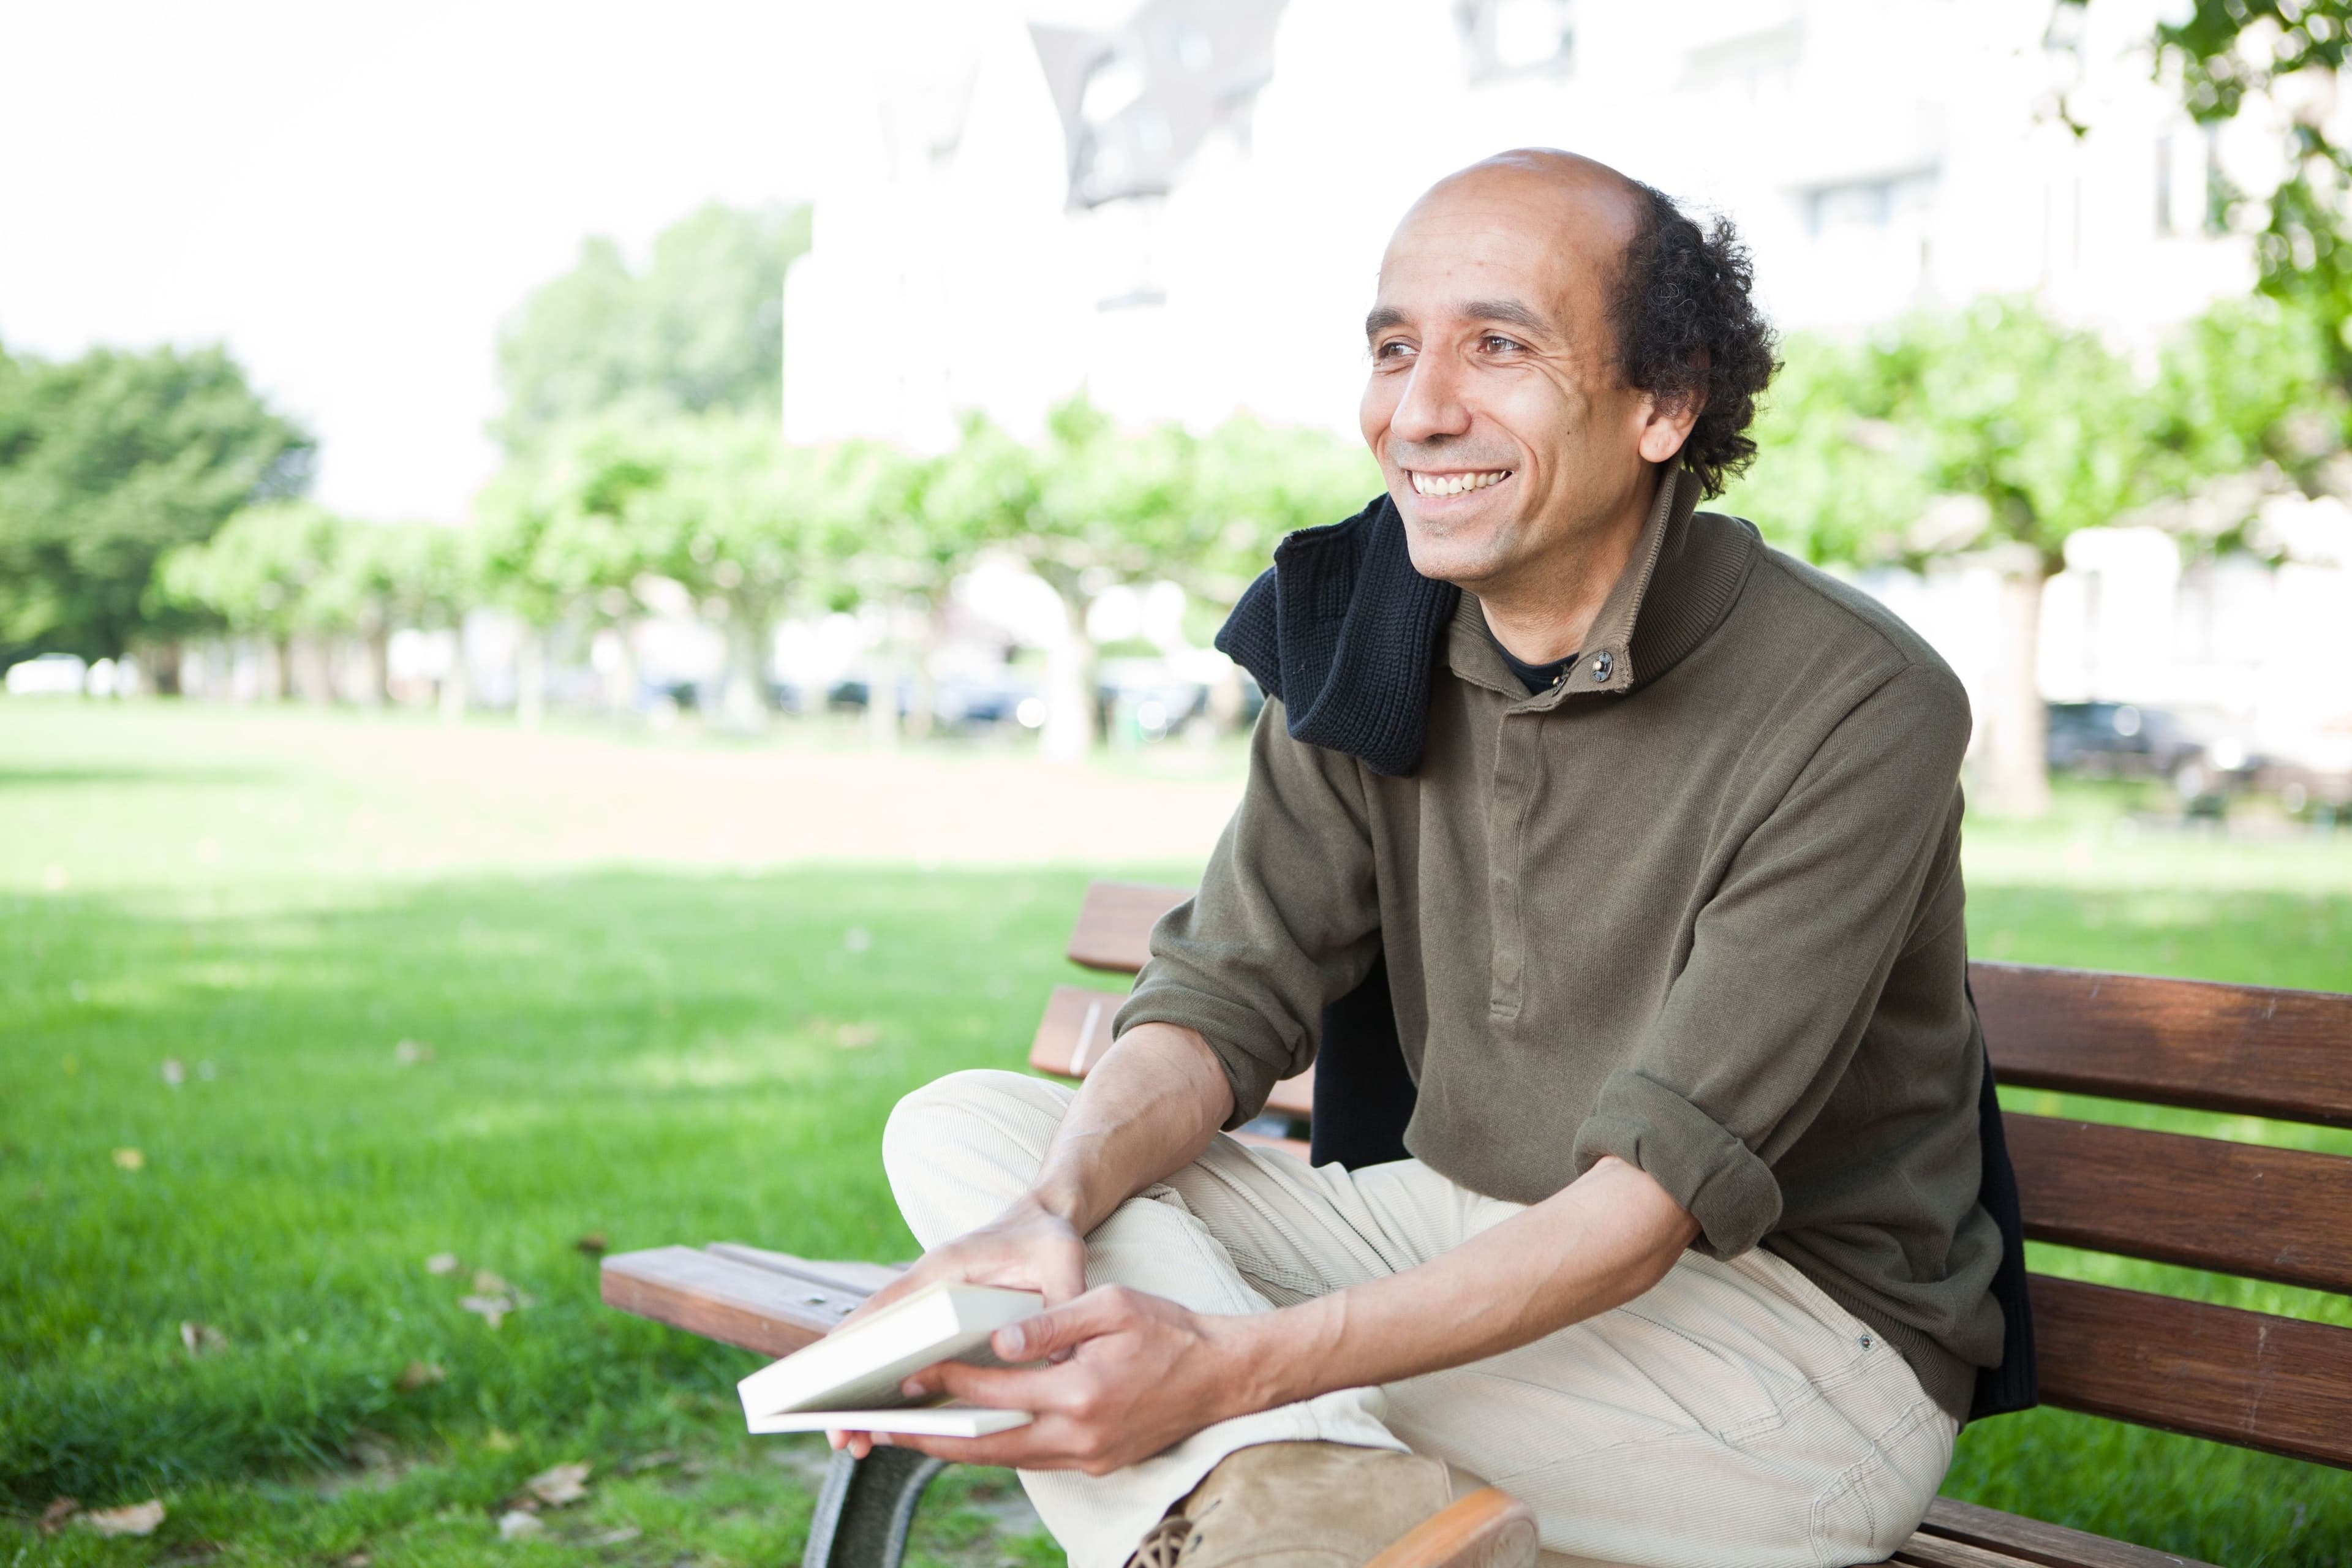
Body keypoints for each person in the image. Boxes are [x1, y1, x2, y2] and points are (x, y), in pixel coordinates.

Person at [839, 149, 2007, 1568]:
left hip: (1783, 1349)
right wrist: (1046, 1219)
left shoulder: (1855, 699)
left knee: (1198, 1388)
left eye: (1499, 345)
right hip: (1451, 1229)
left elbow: (1645, 1210)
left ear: (1666, 401)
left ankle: (1283, 1485)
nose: (1421, 408)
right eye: (1395, 348)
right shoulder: (1370, 632)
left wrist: (1227, 1367)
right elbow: (1219, 999)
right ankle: (1312, 1495)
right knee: (975, 1128)